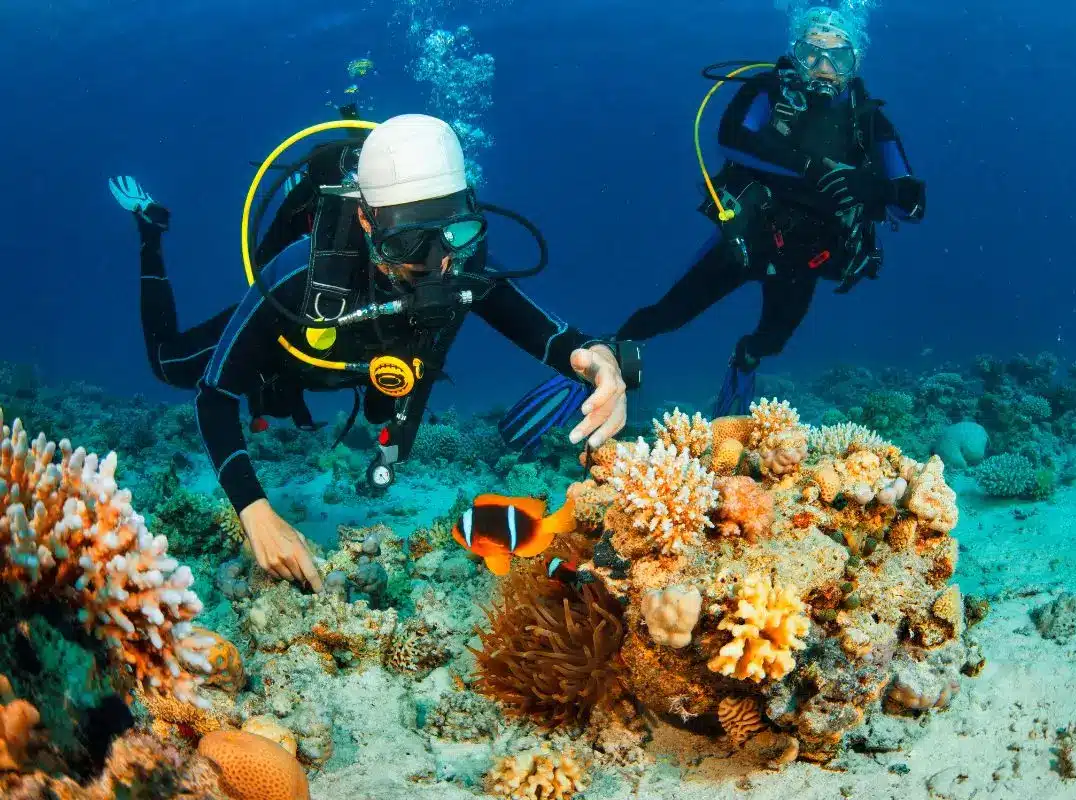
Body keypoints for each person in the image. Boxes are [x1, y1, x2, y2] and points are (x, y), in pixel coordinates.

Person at [109, 113, 642, 591]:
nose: (435, 264)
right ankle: (149, 232)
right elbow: (214, 395)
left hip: (382, 368)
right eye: (406, 243)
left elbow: (554, 339)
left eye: (452, 233)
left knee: (392, 400)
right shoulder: (299, 273)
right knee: (170, 364)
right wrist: (255, 510)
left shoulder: (464, 263)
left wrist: (601, 360)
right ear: (366, 221)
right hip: (290, 353)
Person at [615, 5, 927, 416]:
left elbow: (913, 204)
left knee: (771, 340)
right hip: (745, 237)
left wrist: (871, 187)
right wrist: (812, 168)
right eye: (811, 53)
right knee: (668, 314)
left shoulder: (869, 123)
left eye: (838, 57)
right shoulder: (769, 91)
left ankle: (742, 364)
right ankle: (601, 358)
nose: (824, 67)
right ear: (795, 55)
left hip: (808, 257)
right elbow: (730, 138)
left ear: (856, 62)